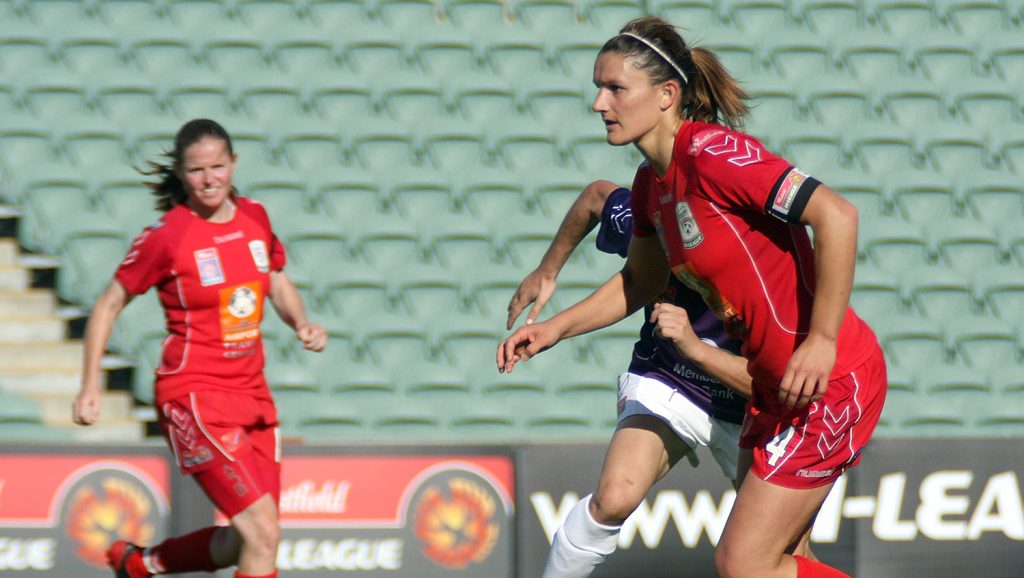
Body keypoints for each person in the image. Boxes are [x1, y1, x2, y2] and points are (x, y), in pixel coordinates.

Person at [498, 17, 886, 578]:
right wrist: (554, 328)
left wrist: (822, 339)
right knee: (777, 566)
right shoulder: (650, 185)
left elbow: (838, 215)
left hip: (831, 383)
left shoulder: (714, 154)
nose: (598, 103)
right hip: (772, 392)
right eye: (597, 88)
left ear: (666, 95)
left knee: (744, 565)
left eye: (614, 89)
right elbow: (641, 282)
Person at [507, 180, 814, 577]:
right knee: (614, 497)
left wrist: (696, 348)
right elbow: (598, 198)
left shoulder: (775, 281)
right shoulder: (665, 223)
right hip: (670, 378)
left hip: (753, 407)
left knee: (786, 554)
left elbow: (777, 386)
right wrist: (547, 272)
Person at [72, 118, 327, 578]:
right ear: (181, 175)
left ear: (234, 164)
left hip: (253, 397)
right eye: (196, 170)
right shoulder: (167, 236)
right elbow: (108, 304)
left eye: (218, 166)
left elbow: (276, 279)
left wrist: (301, 322)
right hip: (195, 396)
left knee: (243, 540)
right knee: (262, 532)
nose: (209, 179)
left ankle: (141, 564)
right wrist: (89, 385)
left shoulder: (255, 216)